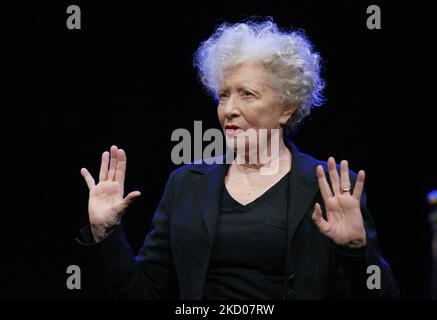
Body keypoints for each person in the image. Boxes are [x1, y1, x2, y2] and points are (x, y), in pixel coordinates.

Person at [77, 19, 399, 299]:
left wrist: (355, 252)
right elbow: (145, 293)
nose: (229, 108)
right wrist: (105, 233)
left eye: (247, 94)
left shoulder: (331, 188)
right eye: (223, 94)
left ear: (286, 108)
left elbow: (381, 296)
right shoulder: (186, 184)